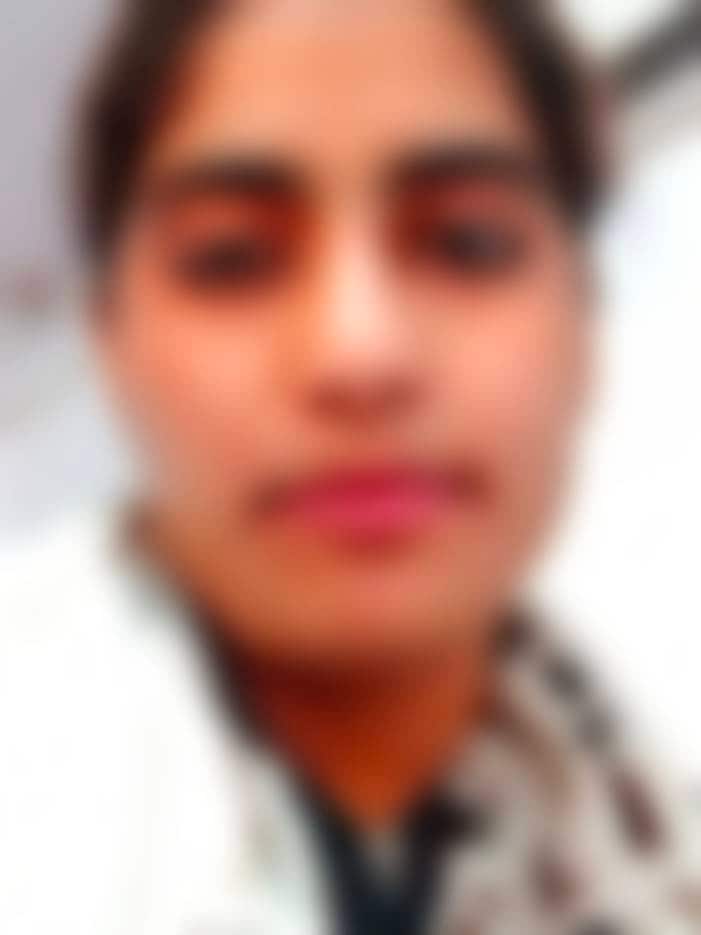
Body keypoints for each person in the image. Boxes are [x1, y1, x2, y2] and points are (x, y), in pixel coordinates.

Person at [1, 2, 699, 933]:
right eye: (233, 258)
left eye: (467, 242)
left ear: (580, 320)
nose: (358, 351)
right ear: (113, 342)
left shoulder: (646, 835)